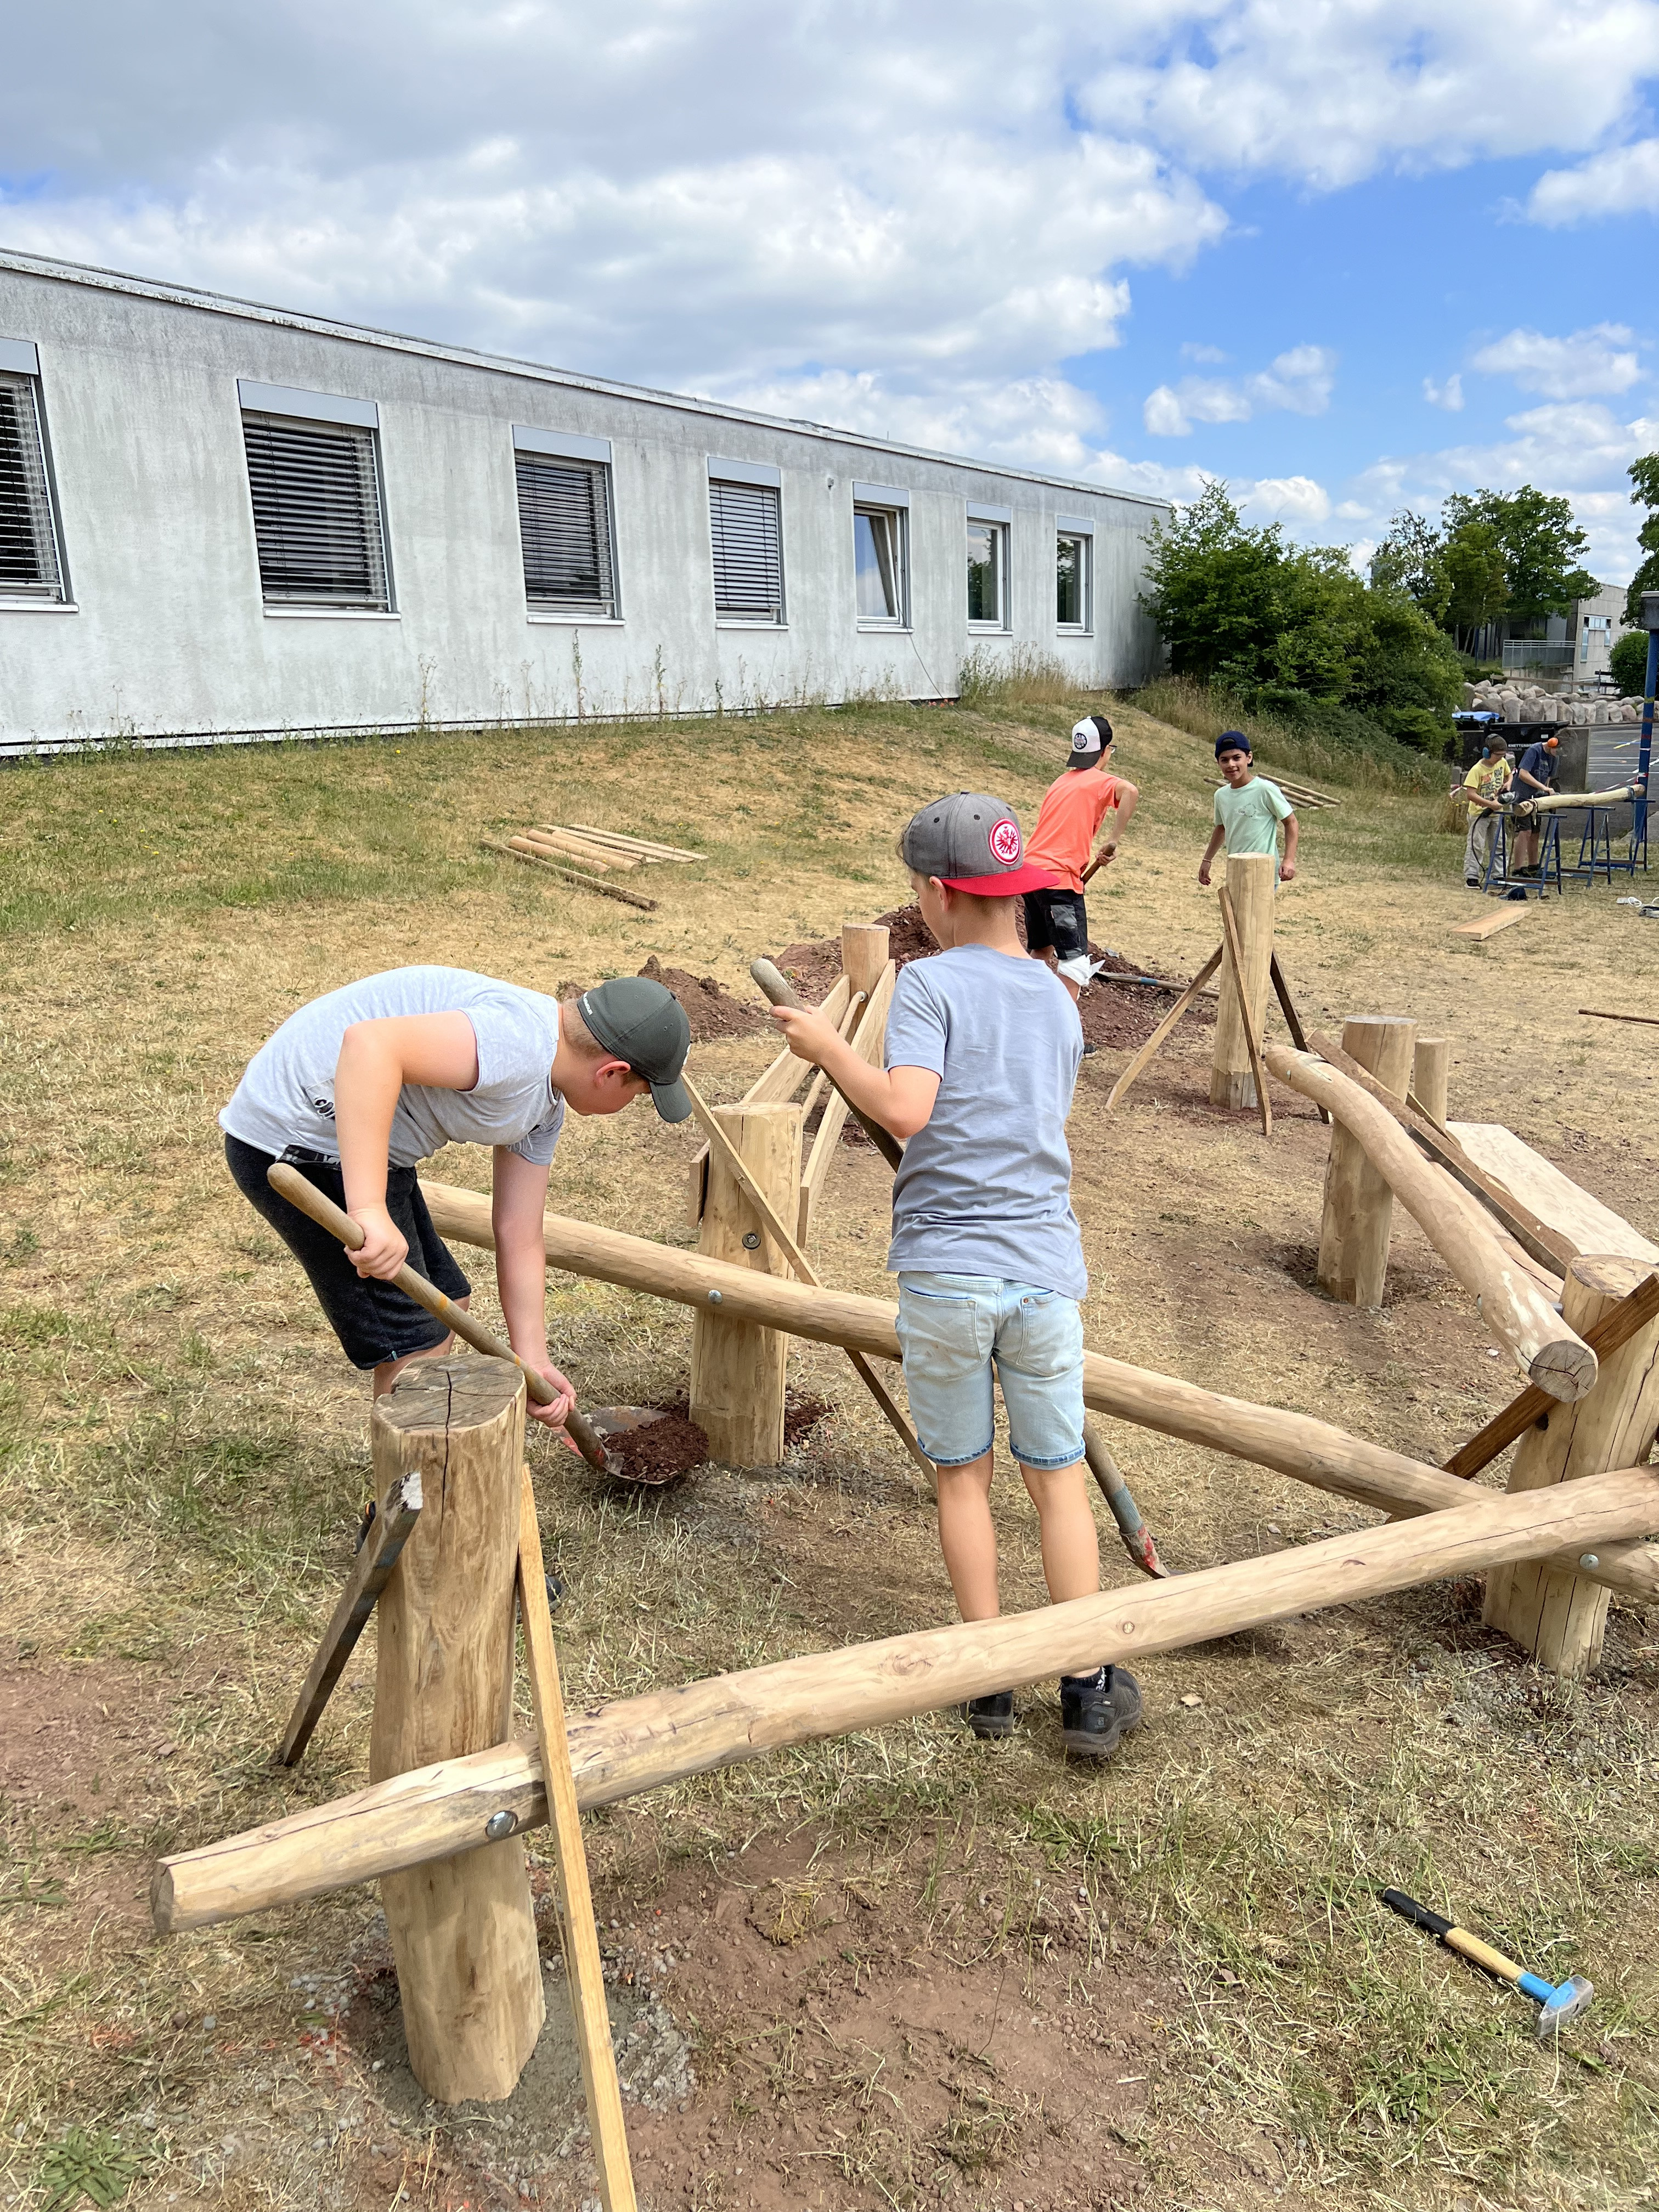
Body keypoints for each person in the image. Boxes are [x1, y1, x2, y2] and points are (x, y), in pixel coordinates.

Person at [769, 793, 1143, 1763]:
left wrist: (826, 1049)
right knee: (1055, 1481)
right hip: (1040, 1271)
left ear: (935, 894)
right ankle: (1084, 1685)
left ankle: (984, 1679)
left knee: (961, 1479)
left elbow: (905, 1110)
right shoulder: (1060, 998)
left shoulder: (927, 986)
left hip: (944, 1271)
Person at [220, 968, 691, 1430]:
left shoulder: (543, 1107)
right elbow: (370, 1045)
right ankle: (404, 1500)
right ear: (612, 1073)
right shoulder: (521, 1045)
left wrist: (533, 1359)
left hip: (359, 1151)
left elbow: (519, 1232)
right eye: (643, 1094)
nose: (636, 1105)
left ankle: (421, 1469)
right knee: (416, 1342)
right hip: (296, 1143)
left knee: (448, 1302)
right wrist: (368, 1210)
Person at [1022, 714, 1140, 1004]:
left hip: (1030, 874)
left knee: (1041, 952)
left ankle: (1027, 1023)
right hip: (1059, 882)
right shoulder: (1101, 782)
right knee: (1074, 963)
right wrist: (1113, 841)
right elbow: (1131, 792)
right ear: (1105, 751)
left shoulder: (1062, 781)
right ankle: (1062, 1041)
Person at [1197, 731, 1299, 886]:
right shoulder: (1221, 795)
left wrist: (1289, 860)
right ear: (1218, 763)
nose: (1231, 764)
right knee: (1234, 911)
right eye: (1224, 760)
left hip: (1264, 872)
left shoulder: (1265, 789)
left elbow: (1291, 822)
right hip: (1236, 869)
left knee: (1255, 911)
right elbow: (1221, 828)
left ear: (1249, 758)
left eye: (1237, 758)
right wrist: (1207, 860)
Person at [1453, 731, 1511, 888]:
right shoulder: (1477, 770)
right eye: (1498, 755)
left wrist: (1508, 784)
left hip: (1497, 812)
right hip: (1480, 813)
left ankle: (1499, 875)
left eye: (1503, 755)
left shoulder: (1502, 763)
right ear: (1487, 752)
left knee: (1499, 844)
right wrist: (1489, 804)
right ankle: (1472, 877)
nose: (1500, 758)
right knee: (1476, 845)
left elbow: (1509, 775)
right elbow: (1470, 795)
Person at [1510, 730, 1561, 877]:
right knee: (1525, 832)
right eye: (1557, 750)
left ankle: (1533, 867)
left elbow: (1548, 780)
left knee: (1535, 832)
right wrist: (1544, 788)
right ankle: (1518, 869)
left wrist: (1547, 795)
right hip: (1522, 798)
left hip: (1536, 799)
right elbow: (1523, 774)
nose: (1558, 754)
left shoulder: (1554, 758)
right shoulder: (1534, 750)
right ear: (1552, 744)